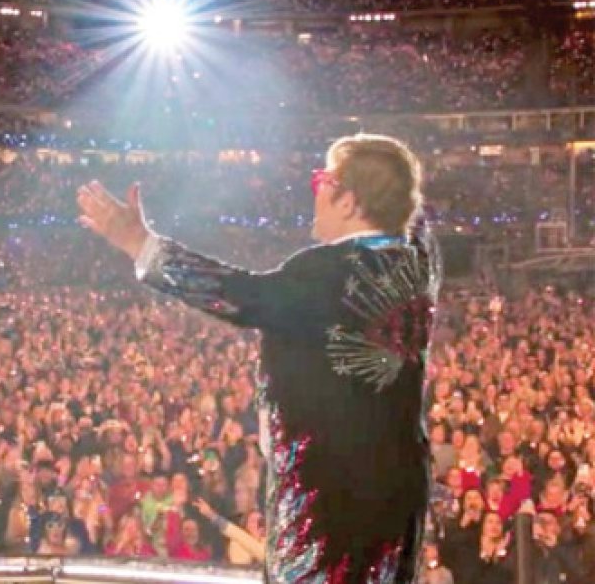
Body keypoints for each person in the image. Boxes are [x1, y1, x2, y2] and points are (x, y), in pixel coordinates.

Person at [78, 133, 439, 582]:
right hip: (398, 504)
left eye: (322, 180)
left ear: (349, 202)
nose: (315, 191)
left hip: (329, 509)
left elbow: (240, 296)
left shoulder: (323, 272)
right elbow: (417, 224)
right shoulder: (418, 265)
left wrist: (139, 243)